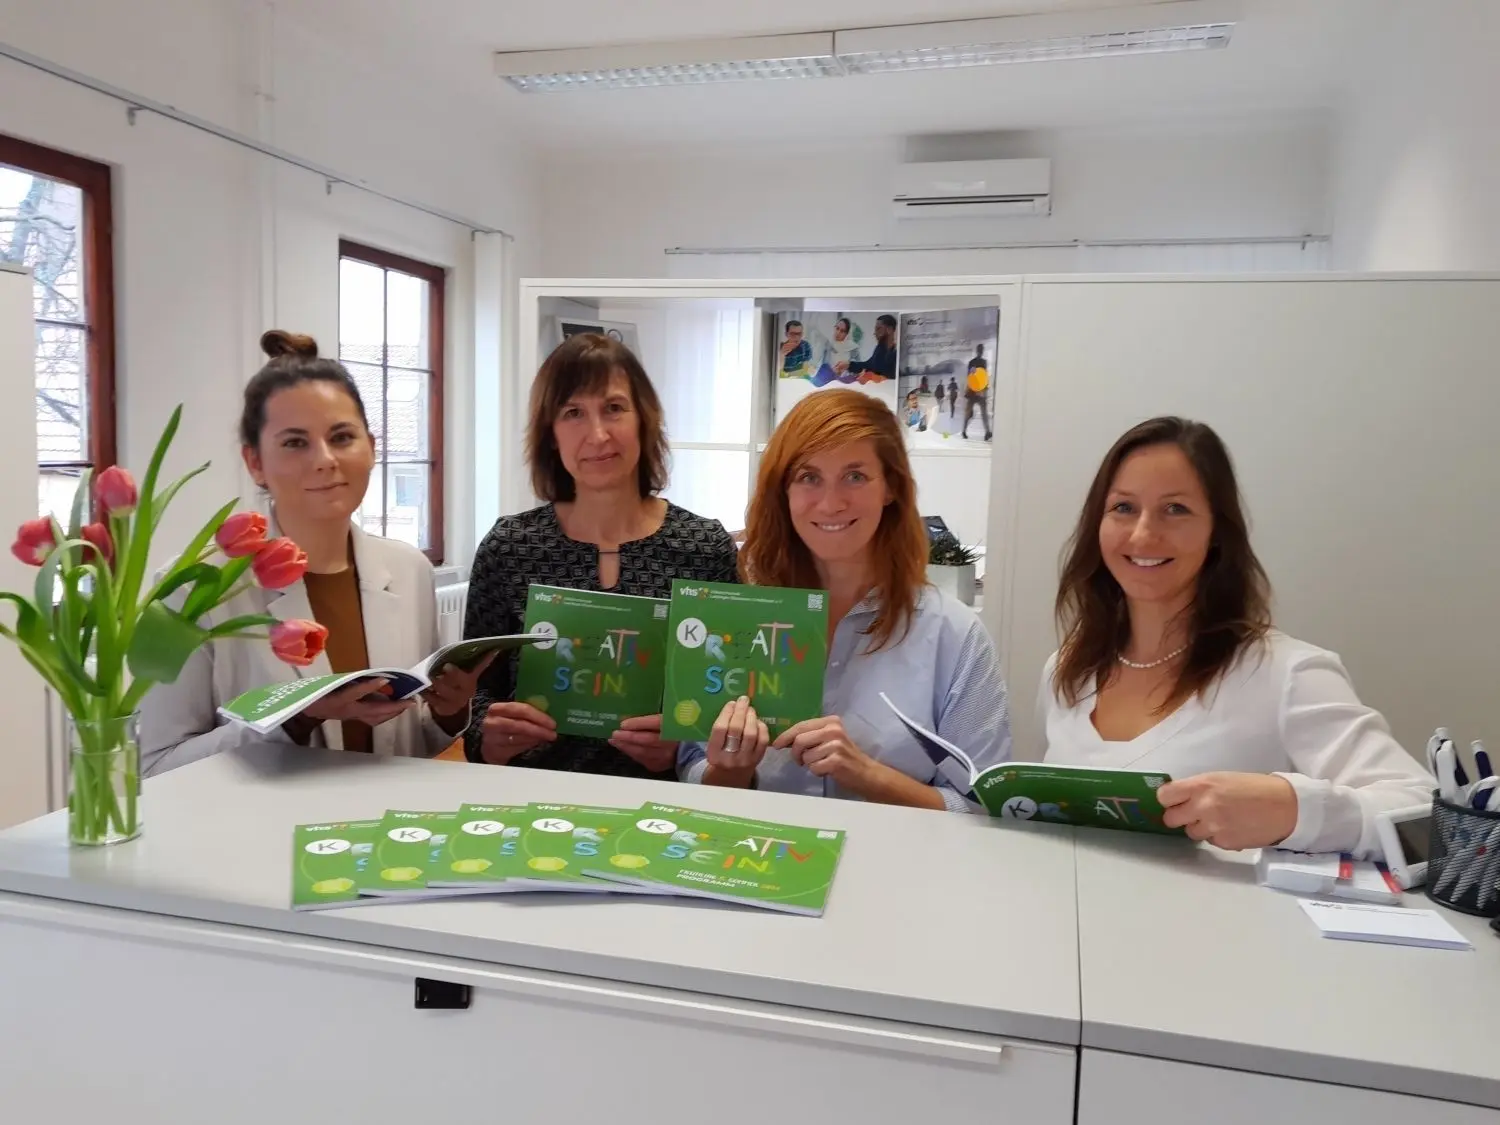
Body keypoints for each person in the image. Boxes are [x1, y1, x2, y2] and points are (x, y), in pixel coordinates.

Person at [1039, 416, 1433, 856]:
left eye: (1176, 509)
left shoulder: (1288, 673)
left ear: (1216, 533)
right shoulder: (1068, 669)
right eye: (1123, 508)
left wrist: (1294, 811)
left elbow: (1428, 820)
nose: (1143, 534)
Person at [140, 331, 481, 775]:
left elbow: (407, 740)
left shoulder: (408, 569)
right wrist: (301, 715)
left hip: (384, 832)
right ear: (255, 463)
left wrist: (448, 711)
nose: (325, 460)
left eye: (342, 437)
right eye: (295, 443)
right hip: (262, 835)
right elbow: (158, 767)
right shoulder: (191, 588)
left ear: (372, 448)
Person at [678, 388, 1011, 810]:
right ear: (783, 490)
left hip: (896, 871)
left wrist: (867, 774)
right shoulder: (733, 618)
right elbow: (689, 769)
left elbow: (985, 805)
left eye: (855, 476)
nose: (831, 503)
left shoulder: (955, 635)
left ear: (890, 488)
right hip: (753, 863)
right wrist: (730, 769)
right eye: (808, 477)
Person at [463, 333, 740, 778]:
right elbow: (476, 691)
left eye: (614, 408)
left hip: (664, 809)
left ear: (643, 420)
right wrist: (487, 737)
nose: (598, 434)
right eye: (573, 413)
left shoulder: (703, 547)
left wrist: (687, 749)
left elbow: (727, 695)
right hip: (527, 798)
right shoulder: (510, 546)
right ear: (550, 434)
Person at [842, 314, 897, 383]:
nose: (875, 333)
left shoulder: (897, 354)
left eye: (878, 329)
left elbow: (891, 379)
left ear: (889, 330)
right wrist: (849, 365)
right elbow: (868, 365)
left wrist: (872, 377)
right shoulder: (880, 349)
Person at [962, 345, 992, 441]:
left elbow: (970, 375)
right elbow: (984, 376)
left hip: (974, 390)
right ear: (981, 351)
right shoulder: (983, 362)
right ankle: (987, 432)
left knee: (969, 412)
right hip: (979, 391)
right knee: (983, 413)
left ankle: (964, 431)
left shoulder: (973, 362)